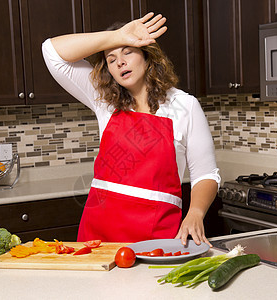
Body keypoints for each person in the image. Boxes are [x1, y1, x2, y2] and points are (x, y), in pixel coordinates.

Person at [42, 12, 221, 246]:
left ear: (148, 57)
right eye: (111, 58)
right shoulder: (104, 99)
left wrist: (195, 213)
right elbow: (52, 51)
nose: (120, 62)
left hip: (156, 240)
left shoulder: (185, 106)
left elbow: (206, 175)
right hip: (99, 240)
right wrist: (116, 37)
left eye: (128, 52)